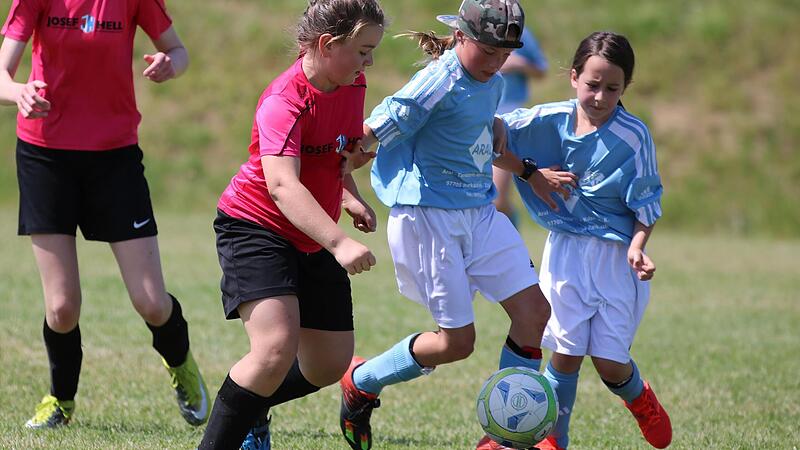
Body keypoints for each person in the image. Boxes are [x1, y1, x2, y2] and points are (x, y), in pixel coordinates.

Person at [336, 2, 576, 449]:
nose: (496, 62)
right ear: (461, 37)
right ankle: (362, 379)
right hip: (430, 219)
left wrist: (529, 172)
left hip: (480, 213)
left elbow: (482, 144)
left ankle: (502, 438)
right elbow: (376, 129)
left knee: (534, 314)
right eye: (488, 50)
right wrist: (350, 179)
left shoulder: (492, 82)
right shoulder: (437, 82)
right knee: (457, 344)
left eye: (505, 53)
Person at [0, 0, 209, 430]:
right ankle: (60, 401)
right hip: (45, 156)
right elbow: (1, 74)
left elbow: (179, 51)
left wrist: (171, 64)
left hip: (114, 158)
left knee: (151, 302)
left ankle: (182, 365)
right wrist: (19, 92)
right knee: (61, 308)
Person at [196, 1, 385, 448]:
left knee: (328, 363)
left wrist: (348, 195)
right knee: (274, 349)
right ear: (327, 44)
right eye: (362, 51)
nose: (369, 62)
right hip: (255, 226)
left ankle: (251, 406)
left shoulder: (352, 83)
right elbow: (282, 184)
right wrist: (339, 242)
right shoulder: (284, 100)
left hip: (311, 231)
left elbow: (335, 153)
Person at [485, 31, 672, 450]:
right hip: (566, 250)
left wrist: (637, 246)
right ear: (573, 77)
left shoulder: (634, 136)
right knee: (565, 353)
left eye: (613, 88)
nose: (601, 97)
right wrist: (529, 170)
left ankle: (639, 398)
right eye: (592, 84)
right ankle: (555, 439)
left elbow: (647, 203)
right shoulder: (547, 119)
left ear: (625, 88)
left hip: (616, 258)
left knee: (610, 364)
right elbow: (492, 130)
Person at [492, 26, 548, 227]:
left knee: (497, 198)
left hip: (509, 122)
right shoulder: (480, 28)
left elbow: (541, 70)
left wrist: (519, 64)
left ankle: (512, 235)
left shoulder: (521, 34)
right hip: (479, 117)